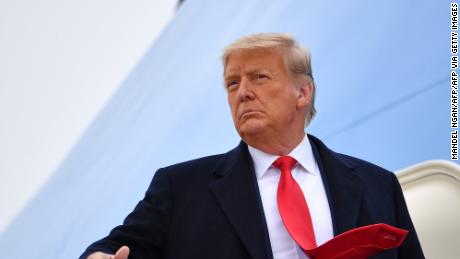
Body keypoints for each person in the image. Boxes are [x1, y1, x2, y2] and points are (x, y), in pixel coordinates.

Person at [80, 33, 424, 259]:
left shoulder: (378, 185)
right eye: (232, 83)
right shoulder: (181, 189)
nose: (242, 92)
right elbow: (115, 248)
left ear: (303, 93)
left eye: (259, 77)